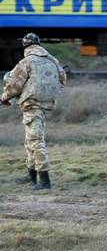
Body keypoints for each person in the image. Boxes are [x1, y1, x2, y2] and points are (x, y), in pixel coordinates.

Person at [1, 33, 67, 190]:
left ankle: (44, 181)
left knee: (35, 141)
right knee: (31, 139)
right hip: (47, 105)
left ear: (25, 47)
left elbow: (14, 85)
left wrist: (4, 98)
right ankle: (31, 175)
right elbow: (62, 79)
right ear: (39, 44)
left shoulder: (26, 62)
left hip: (32, 105)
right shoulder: (52, 60)